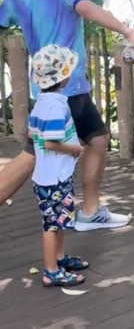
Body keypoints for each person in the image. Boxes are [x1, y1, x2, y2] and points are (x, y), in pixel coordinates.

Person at [0, 0, 134, 230]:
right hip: (67, 86)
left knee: (97, 138)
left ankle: (91, 212)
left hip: (47, 87)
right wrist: (128, 32)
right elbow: (85, 8)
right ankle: (90, 213)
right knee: (33, 154)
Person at [28, 44, 90, 287]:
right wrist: (74, 149)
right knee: (51, 225)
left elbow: (34, 136)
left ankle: (60, 258)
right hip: (53, 178)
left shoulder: (42, 102)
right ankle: (51, 271)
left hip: (52, 175)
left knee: (59, 220)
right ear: (63, 76)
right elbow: (51, 142)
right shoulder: (55, 105)